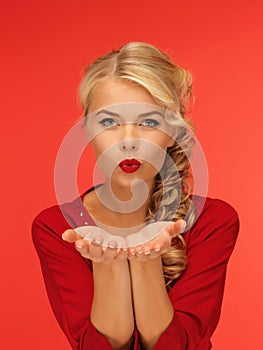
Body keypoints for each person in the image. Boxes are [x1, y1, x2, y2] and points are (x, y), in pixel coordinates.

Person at [32, 42, 239, 350]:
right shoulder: (55, 228)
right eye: (109, 122)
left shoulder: (213, 222)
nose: (128, 141)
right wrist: (107, 263)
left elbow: (179, 346)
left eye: (148, 122)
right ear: (87, 130)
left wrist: (147, 259)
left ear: (172, 131)